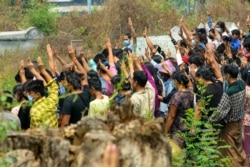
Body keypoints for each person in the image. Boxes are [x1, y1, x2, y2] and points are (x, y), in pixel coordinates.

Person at [210, 64, 248, 166]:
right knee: (239, 150)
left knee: (231, 154)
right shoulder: (242, 84)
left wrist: (211, 120)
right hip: (239, 123)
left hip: (230, 126)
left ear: (227, 76)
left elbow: (220, 112)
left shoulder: (228, 92)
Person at [25, 57, 59, 128]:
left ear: (37, 94)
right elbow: (54, 86)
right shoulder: (51, 101)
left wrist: (32, 70)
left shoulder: (34, 112)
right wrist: (43, 70)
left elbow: (35, 132)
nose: (28, 95)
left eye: (30, 93)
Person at [165, 71, 193, 148]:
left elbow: (171, 116)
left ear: (176, 81)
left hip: (178, 130)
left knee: (177, 154)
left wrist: (165, 131)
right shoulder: (191, 92)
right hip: (189, 127)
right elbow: (190, 85)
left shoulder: (177, 96)